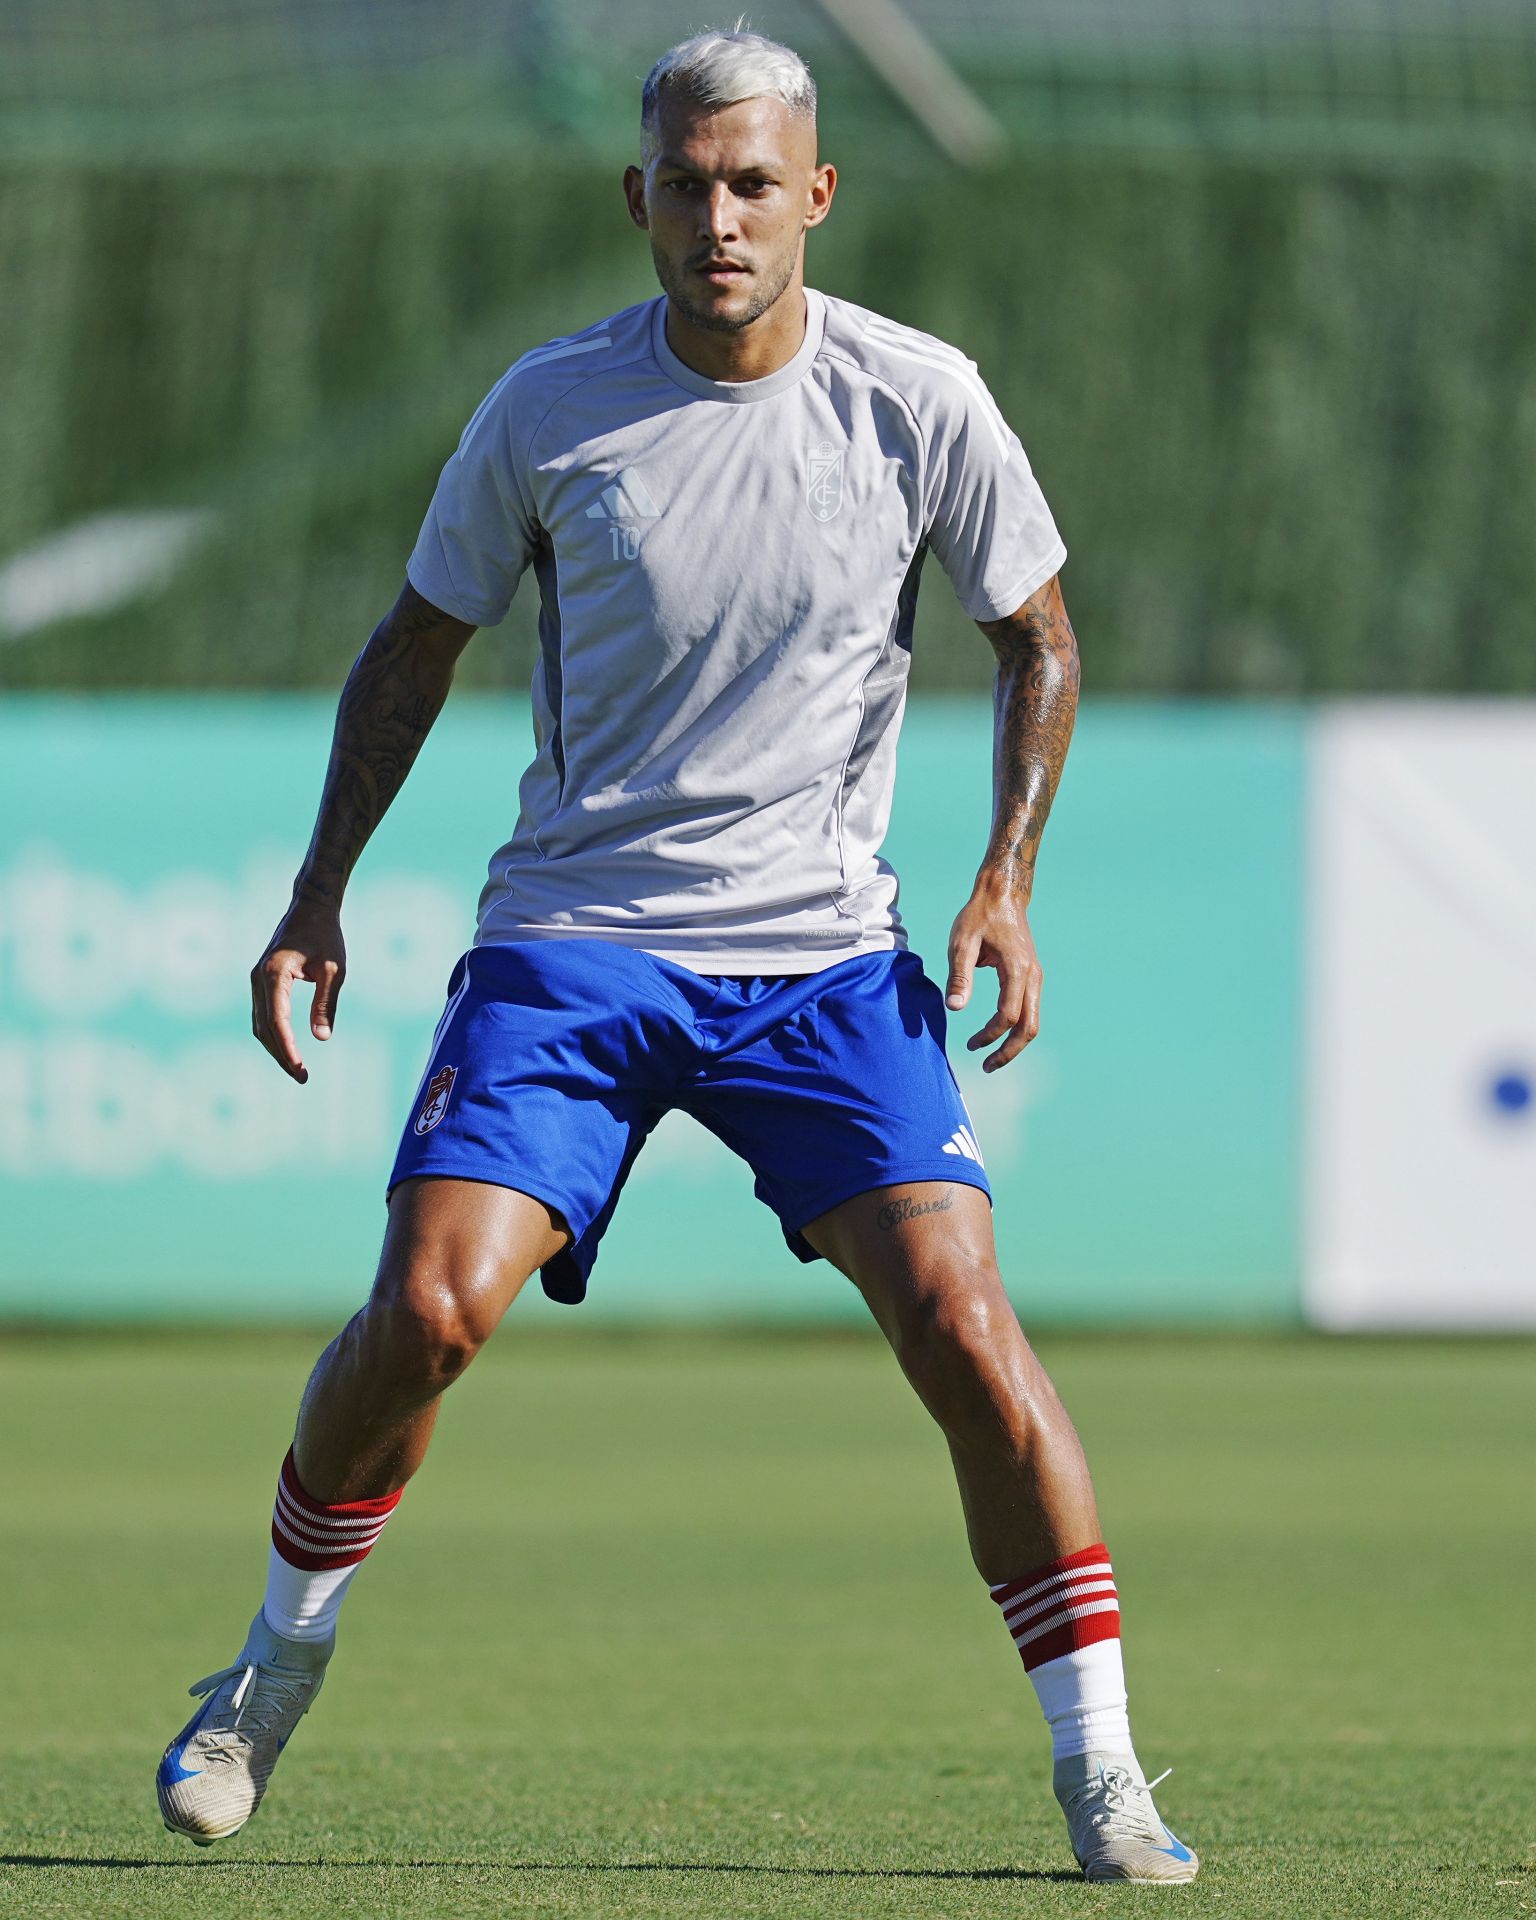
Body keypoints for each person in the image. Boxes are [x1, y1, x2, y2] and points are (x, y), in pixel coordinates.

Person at [155, 28, 1197, 1885]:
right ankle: (265, 1676)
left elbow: (1037, 636)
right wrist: (317, 894)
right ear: (637, 196)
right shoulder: (550, 409)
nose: (721, 218)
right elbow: (414, 651)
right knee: (426, 1316)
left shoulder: (921, 396)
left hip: (820, 958)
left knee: (966, 1328)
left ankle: (1106, 1769)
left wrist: (1005, 879)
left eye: (753, 183)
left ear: (816, 192)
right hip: (578, 942)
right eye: (686, 184)